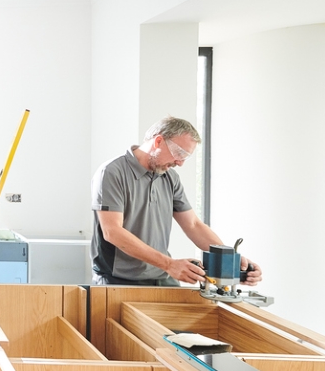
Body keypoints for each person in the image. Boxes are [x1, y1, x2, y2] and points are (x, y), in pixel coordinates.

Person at [91, 116, 262, 287]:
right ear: (158, 141)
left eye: (185, 156)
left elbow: (193, 225)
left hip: (161, 277)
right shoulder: (112, 172)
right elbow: (112, 231)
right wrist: (169, 264)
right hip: (117, 281)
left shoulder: (170, 177)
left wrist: (231, 261)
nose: (180, 163)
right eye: (179, 153)